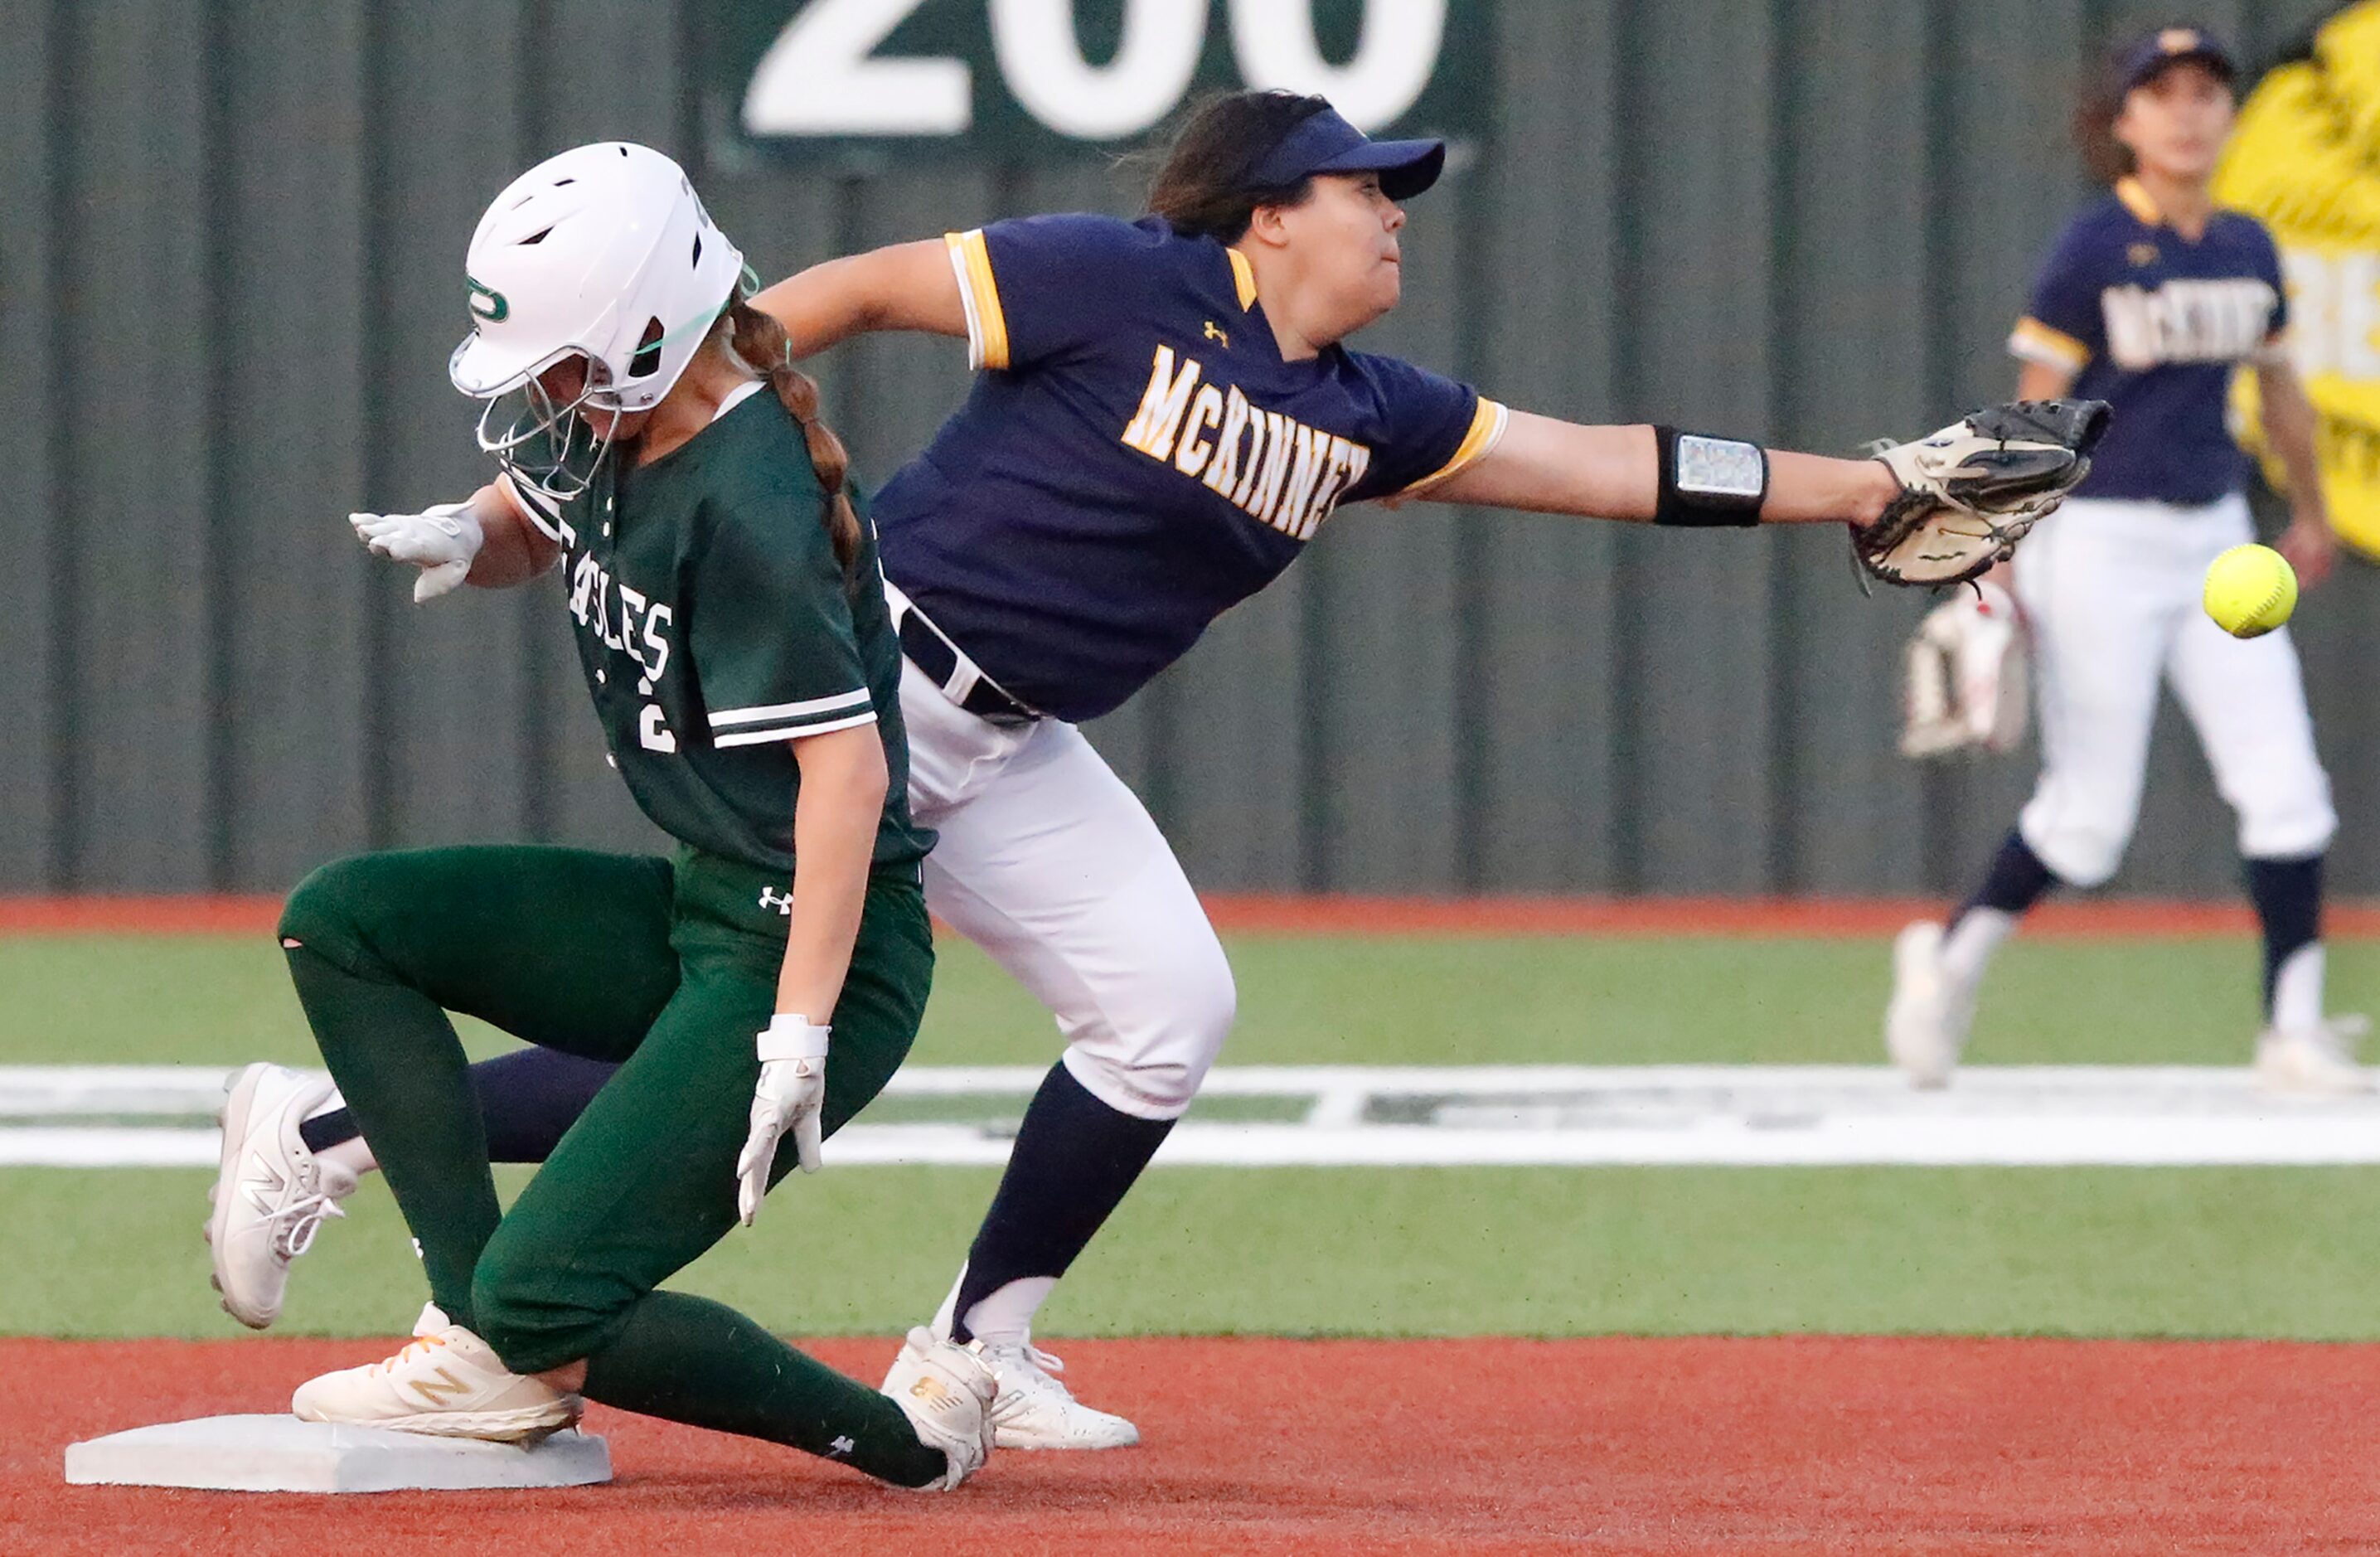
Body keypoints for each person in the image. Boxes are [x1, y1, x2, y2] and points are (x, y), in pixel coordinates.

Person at [217, 91, 2058, 1449]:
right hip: (866, 687)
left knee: (1166, 1008)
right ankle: (352, 1145)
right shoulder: (1113, 279)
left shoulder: (1368, 411)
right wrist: (560, 476)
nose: (1395, 217)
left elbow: (1606, 463)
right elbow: (840, 292)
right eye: (1365, 189)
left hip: (1011, 745)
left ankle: (962, 1349)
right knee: (738, 1026)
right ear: (1267, 215)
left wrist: (1874, 483)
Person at [213, 141, 1000, 1491]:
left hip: (818, 946)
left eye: (562, 363)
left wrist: (801, 1030)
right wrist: (471, 533)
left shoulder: (747, 501)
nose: (540, 395)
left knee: (548, 1302)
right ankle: (481, 1340)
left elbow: (849, 776)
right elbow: (539, 510)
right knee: (346, 922)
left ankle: (912, 1441)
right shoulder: (628, 423)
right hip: (711, 901)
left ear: (645, 335)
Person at [1884, 27, 2358, 1092]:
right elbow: (2033, 408)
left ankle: (2292, 1027)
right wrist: (1996, 542)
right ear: (2126, 122)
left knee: (2287, 789)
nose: (2189, 112)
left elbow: (2279, 391)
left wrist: (2314, 511)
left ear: (2231, 116)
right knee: (2089, 822)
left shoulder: (2248, 245)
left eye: (2208, 93)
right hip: (2095, 543)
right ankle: (1948, 959)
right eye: (2165, 94)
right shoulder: (2093, 249)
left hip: (2216, 541)